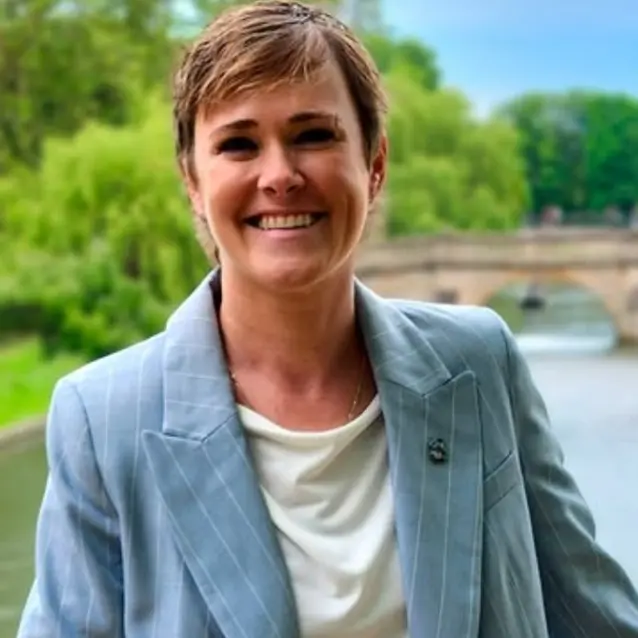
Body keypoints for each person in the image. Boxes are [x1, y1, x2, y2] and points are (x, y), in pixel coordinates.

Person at [17, 1, 638, 637]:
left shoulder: (480, 365)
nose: (279, 176)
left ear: (375, 163)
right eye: (238, 144)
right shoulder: (105, 419)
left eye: (314, 135)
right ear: (193, 183)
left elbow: (595, 616)